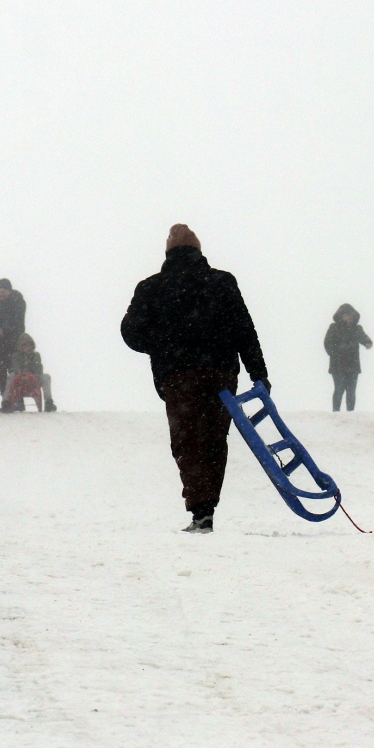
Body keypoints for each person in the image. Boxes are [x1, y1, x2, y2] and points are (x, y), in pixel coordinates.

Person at [121, 223, 268, 533]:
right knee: (214, 440)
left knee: (187, 442)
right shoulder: (222, 282)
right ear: (198, 251)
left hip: (178, 377)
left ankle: (200, 508)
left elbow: (130, 332)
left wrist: (161, 345)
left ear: (167, 253)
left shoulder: (151, 287)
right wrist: (259, 373)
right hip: (221, 374)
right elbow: (245, 329)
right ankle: (207, 508)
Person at [323, 303, 373, 412]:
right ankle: (336, 412)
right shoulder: (334, 328)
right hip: (337, 365)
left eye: (351, 315)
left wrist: (368, 343)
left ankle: (350, 414)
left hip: (353, 365)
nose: (349, 317)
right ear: (341, 315)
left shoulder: (357, 328)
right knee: (339, 389)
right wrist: (335, 352)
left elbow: (364, 338)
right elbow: (327, 343)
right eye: (347, 315)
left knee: (351, 391)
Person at [1, 332, 57, 412]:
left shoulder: (36, 355)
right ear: (21, 347)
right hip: (19, 379)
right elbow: (16, 368)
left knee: (46, 377)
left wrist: (30, 371)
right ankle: (6, 402)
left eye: (30, 345)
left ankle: (48, 402)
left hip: (34, 379)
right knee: (10, 376)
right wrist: (22, 372)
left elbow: (39, 369)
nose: (28, 348)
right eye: (25, 345)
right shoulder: (16, 356)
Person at [0, 279, 27, 395]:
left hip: (13, 343)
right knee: (0, 373)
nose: (1, 294)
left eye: (3, 291)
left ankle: (17, 401)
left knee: (14, 371)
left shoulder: (18, 302)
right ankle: (6, 400)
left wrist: (4, 331)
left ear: (9, 290)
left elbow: (17, 322)